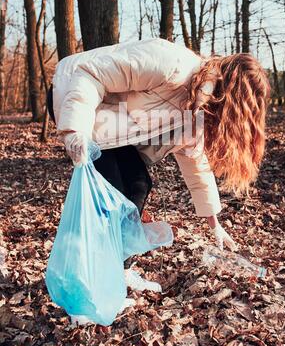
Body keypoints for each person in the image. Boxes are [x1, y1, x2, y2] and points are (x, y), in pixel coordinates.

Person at [48, 37, 270, 293]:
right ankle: (89, 280)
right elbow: (90, 74)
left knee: (138, 184)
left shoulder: (198, 107)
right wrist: (75, 130)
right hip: (72, 94)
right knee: (112, 194)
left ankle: (119, 270)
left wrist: (214, 224)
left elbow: (196, 163)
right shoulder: (170, 64)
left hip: (110, 127)